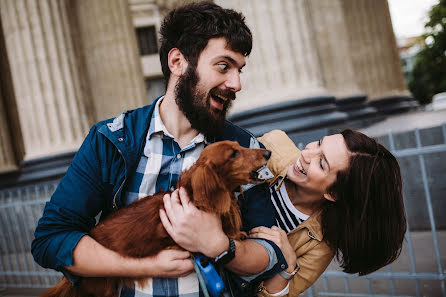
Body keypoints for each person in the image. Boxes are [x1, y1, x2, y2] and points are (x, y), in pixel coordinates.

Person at [31, 2, 287, 297]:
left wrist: (219, 245)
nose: (236, 83)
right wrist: (143, 265)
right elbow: (51, 239)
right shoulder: (111, 140)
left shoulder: (247, 149)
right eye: (223, 66)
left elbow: (269, 251)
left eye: (239, 70)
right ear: (177, 62)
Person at [248, 129, 407, 296]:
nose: (307, 153)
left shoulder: (319, 248)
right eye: (319, 143)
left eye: (322, 163)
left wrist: (286, 268)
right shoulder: (273, 144)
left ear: (333, 193)